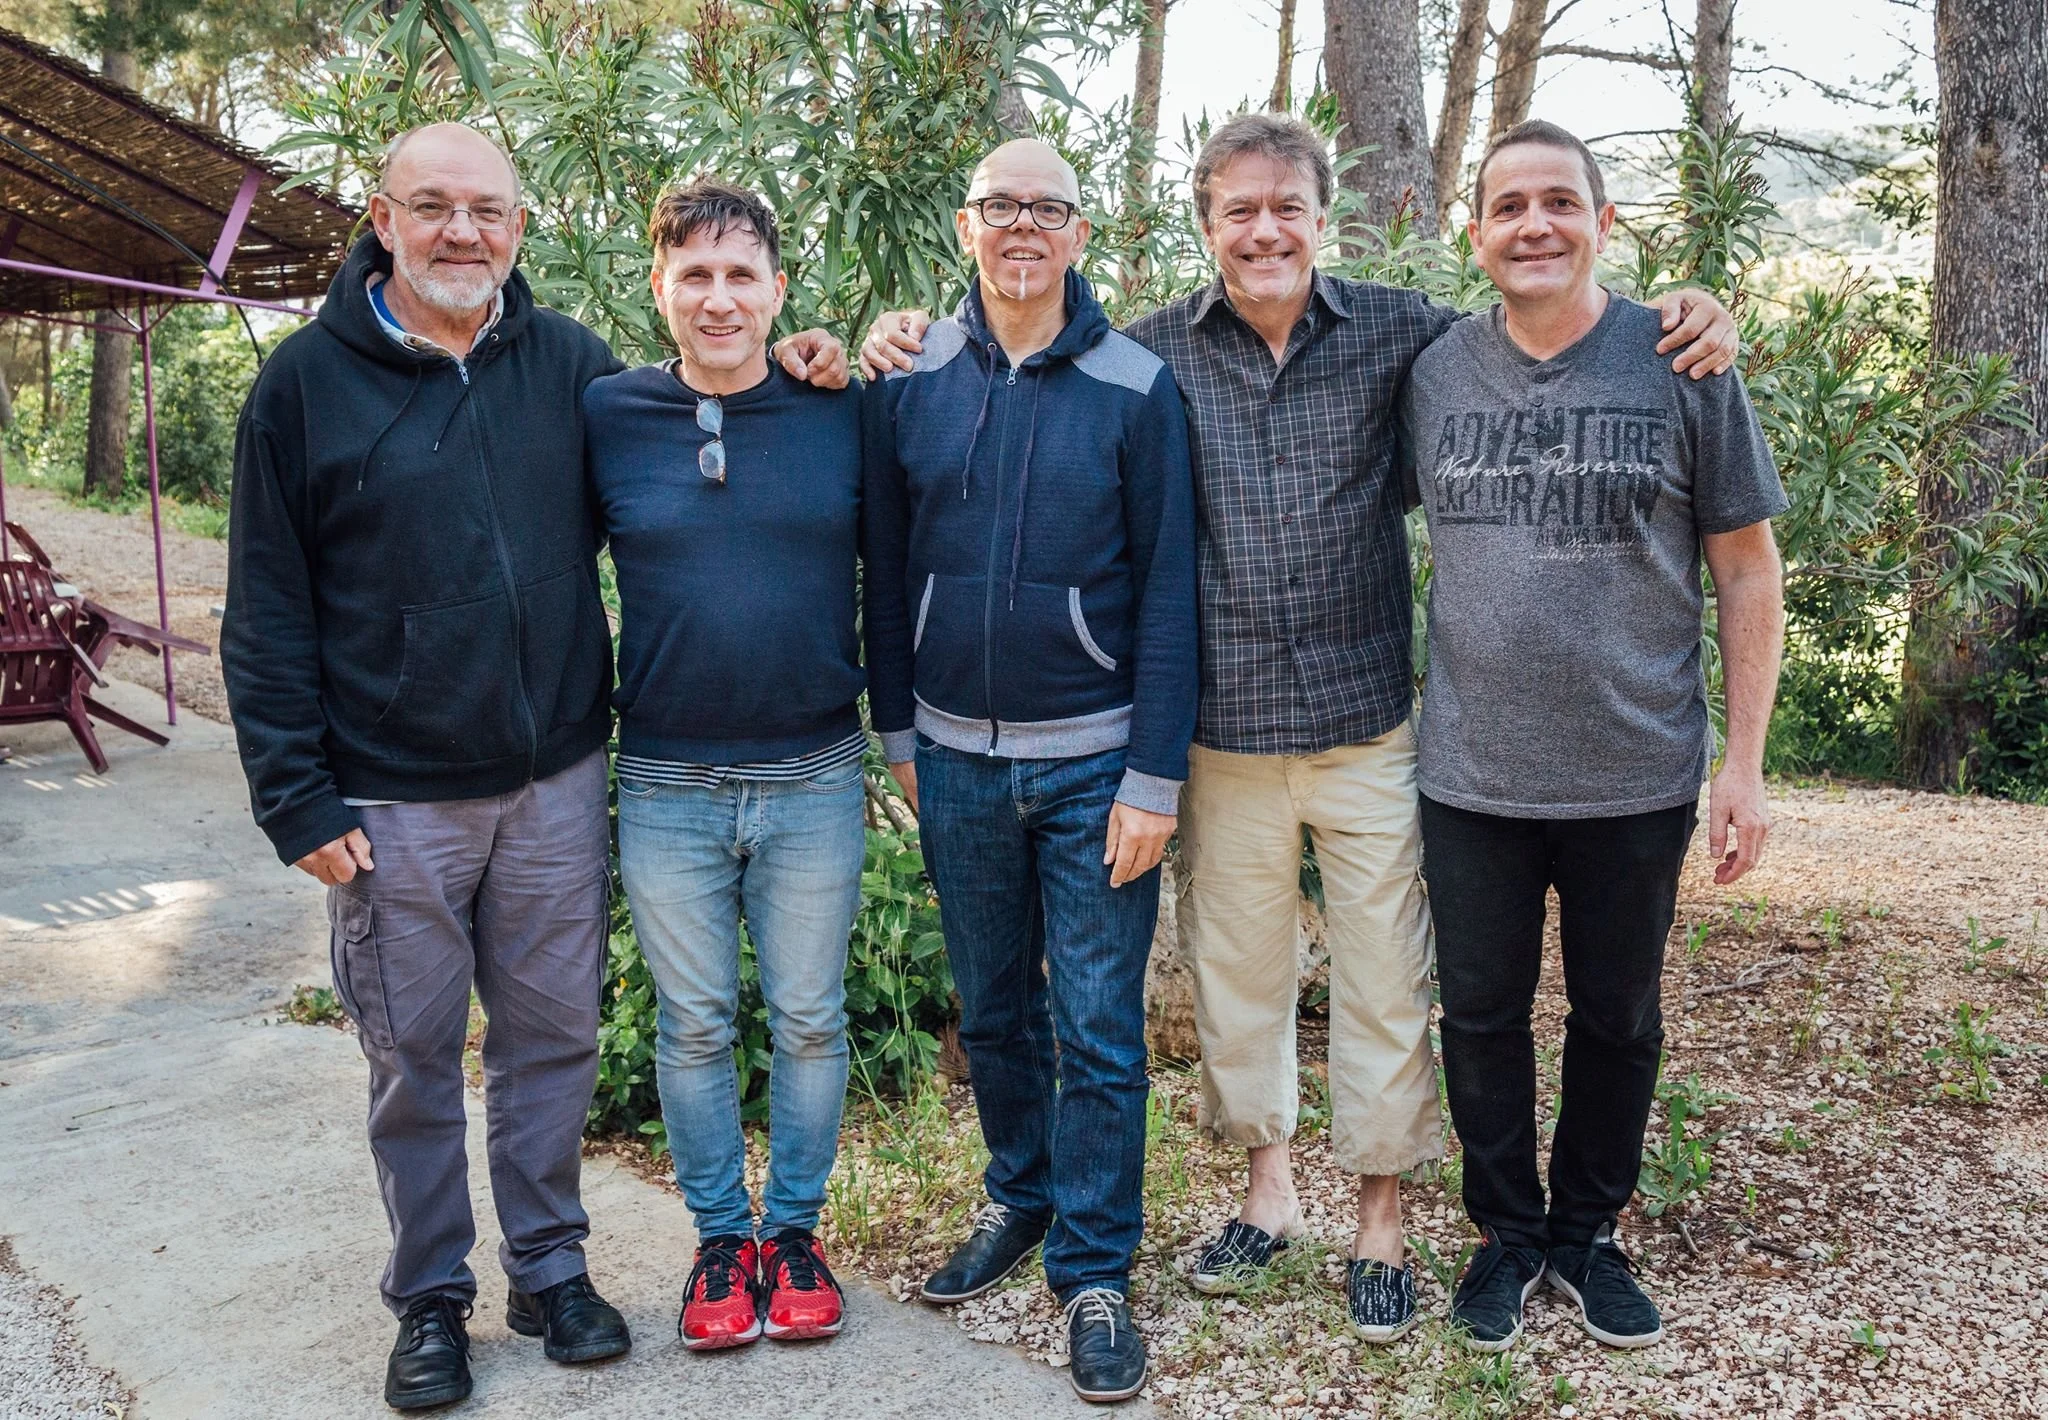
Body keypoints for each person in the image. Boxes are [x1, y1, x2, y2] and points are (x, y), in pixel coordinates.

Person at [861, 112, 1737, 1345]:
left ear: (1323, 221)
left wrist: (1684, 309)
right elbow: (1025, 365)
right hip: (1223, 733)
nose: (1263, 231)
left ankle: (1378, 1222)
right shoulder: (1150, 353)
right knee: (1238, 980)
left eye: (1286, 208)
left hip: (1364, 724)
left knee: (1384, 979)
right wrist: (888, 334)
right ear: (1205, 226)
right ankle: (1265, 1194)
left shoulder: (1401, 333)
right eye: (1238, 210)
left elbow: (1541, 316)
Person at [221, 124, 845, 1411]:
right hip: (390, 791)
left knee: (553, 1039)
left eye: (486, 209)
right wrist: (294, 791)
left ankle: (551, 1270)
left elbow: (700, 410)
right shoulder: (302, 386)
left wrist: (811, 357)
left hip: (557, 772)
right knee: (413, 1052)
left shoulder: (566, 366)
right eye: (432, 206)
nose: (462, 231)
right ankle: (429, 1298)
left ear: (517, 226)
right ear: (382, 220)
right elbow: (265, 605)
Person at [1404, 120, 1785, 1353]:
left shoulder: (1680, 361)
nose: (1534, 225)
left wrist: (1741, 766)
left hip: (1634, 768)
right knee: (1478, 1016)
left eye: (1559, 202)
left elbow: (1745, 567)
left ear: (1602, 223)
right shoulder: (1433, 370)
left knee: (1617, 1016)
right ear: (1474, 232)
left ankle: (1586, 1236)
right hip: (1470, 772)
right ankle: (1506, 1238)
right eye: (1508, 205)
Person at [862, 138, 1198, 1403]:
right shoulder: (909, 375)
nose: (1020, 227)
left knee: (1098, 1028)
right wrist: (898, 732)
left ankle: (1095, 1268)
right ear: (965, 226)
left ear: (1077, 234)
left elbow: (1168, 591)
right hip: (952, 759)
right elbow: (883, 566)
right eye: (998, 206)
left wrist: (1152, 778)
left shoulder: (1134, 386)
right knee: (992, 1008)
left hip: (1094, 765)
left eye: (1045, 209)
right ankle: (1020, 1194)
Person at [584, 181, 864, 1353]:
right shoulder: (608, 413)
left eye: (740, 274)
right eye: (693, 275)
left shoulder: (838, 411)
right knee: (693, 1026)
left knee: (808, 1019)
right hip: (664, 779)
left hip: (814, 772)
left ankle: (791, 1232)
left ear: (777, 290)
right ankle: (717, 1241)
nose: (718, 298)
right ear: (658, 287)